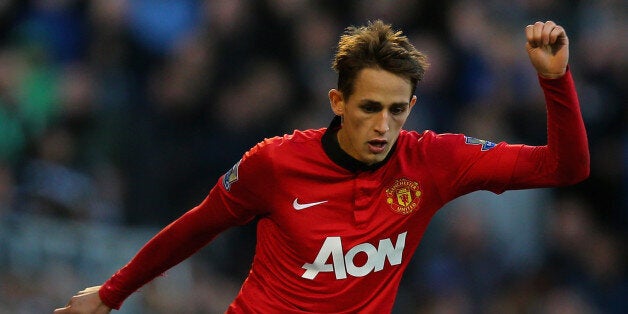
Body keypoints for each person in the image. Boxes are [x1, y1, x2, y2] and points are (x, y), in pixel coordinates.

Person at [54, 20, 589, 313]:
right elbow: (196, 228)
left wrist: (554, 81)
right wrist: (110, 293)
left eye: (397, 110)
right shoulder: (275, 163)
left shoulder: (434, 160)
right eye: (369, 108)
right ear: (337, 102)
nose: (383, 125)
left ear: (412, 109)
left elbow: (565, 169)